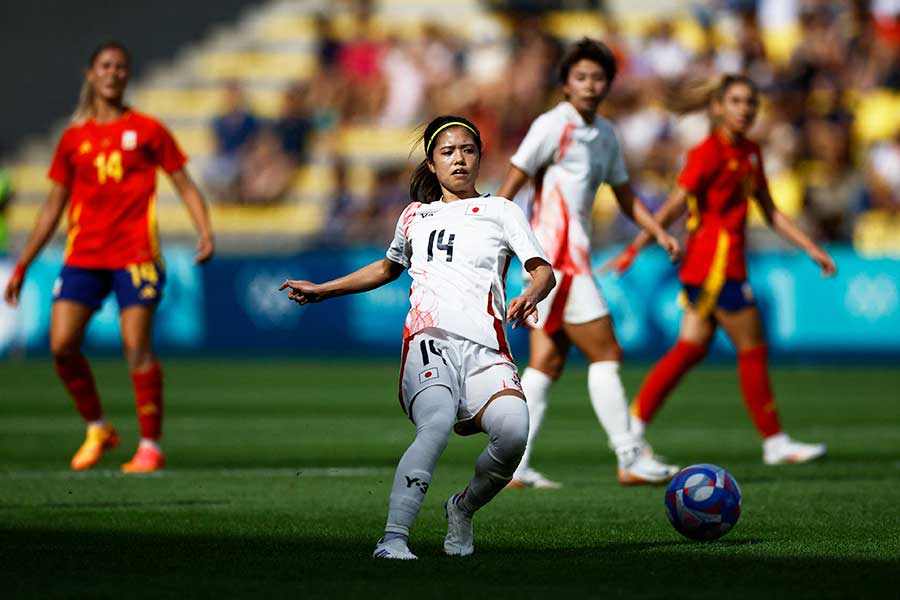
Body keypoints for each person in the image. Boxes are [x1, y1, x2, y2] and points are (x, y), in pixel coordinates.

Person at [279, 115, 555, 559]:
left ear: (480, 157)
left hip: (486, 347)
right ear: (431, 163)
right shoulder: (414, 216)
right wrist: (324, 289)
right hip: (430, 338)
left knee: (514, 433)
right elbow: (387, 268)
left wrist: (531, 293)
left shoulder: (502, 210)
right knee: (437, 422)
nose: (459, 159)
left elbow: (542, 271)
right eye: (447, 152)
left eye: (467, 150)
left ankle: (462, 509)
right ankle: (392, 539)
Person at [3, 41, 214, 473]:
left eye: (120, 67)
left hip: (135, 255)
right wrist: (23, 265)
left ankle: (150, 446)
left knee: (136, 345)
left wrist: (205, 231)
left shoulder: (149, 131)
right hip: (83, 255)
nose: (113, 73)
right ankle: (98, 427)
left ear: (127, 76)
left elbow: (185, 185)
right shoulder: (73, 138)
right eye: (106, 65)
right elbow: (52, 207)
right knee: (62, 346)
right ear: (91, 74)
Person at [605, 74, 837, 465]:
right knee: (752, 346)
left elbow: (770, 209)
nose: (745, 109)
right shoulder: (707, 153)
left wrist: (811, 247)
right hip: (715, 267)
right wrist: (637, 246)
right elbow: (674, 206)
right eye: (736, 101)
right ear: (717, 107)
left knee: (690, 349)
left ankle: (633, 428)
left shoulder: (750, 152)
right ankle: (775, 442)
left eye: (750, 102)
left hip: (720, 265)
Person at [496, 38, 681, 488]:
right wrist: (492, 237)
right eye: (580, 77)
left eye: (598, 77)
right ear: (565, 84)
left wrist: (655, 231)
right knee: (606, 351)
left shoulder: (606, 135)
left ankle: (513, 466)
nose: (590, 85)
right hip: (556, 261)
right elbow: (511, 186)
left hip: (567, 258)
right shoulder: (552, 125)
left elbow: (624, 195)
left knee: (547, 362)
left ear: (608, 84)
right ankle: (629, 455)